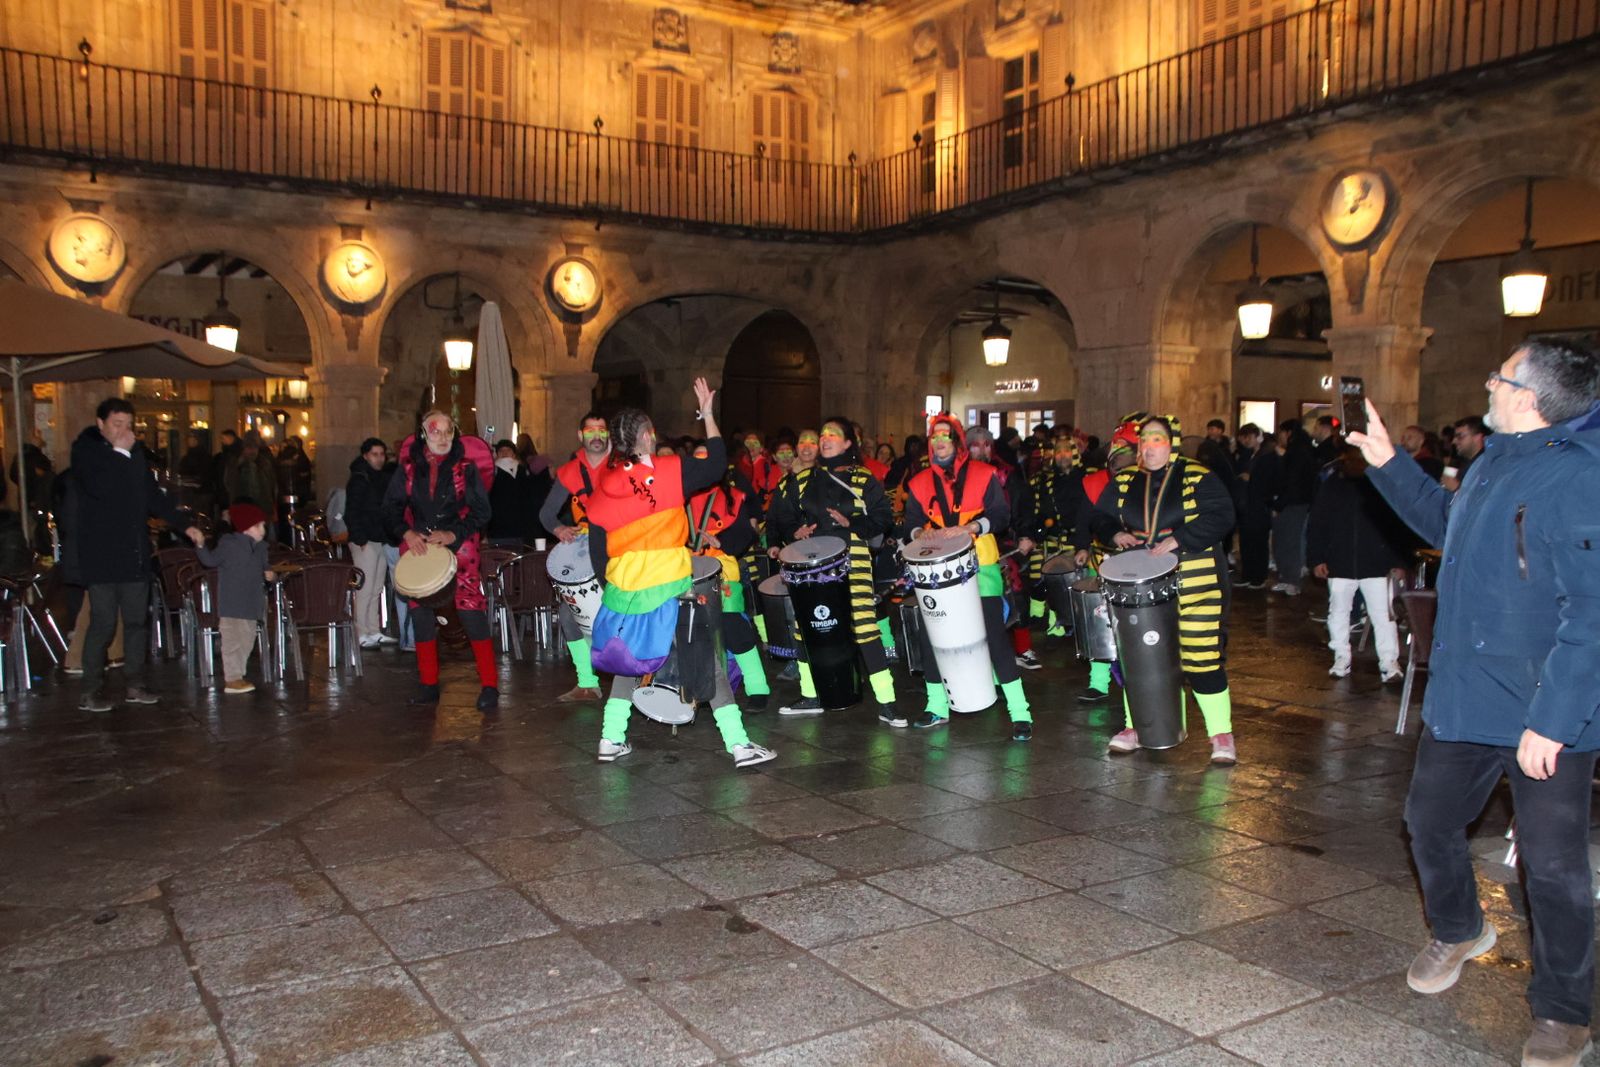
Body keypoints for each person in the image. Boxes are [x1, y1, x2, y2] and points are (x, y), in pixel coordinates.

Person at [1349, 339, 1600, 1067]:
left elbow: (1591, 613)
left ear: (1529, 397)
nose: (1487, 384)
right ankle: (1460, 927)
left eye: (1499, 376)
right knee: (1427, 820)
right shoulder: (1497, 458)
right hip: (1467, 696)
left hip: (1545, 707)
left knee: (1551, 868)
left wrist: (1554, 721)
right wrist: (1389, 462)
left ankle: (1563, 1012)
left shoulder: (1579, 480)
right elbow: (1447, 526)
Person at [585, 379, 776, 768]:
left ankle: (610, 738)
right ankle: (739, 745)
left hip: (624, 588)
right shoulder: (669, 471)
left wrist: (616, 588)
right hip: (671, 583)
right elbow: (717, 461)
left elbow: (596, 550)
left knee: (630, 661)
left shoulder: (602, 487)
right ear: (645, 436)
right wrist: (707, 414)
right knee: (706, 660)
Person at [1089, 415, 1237, 765]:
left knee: (1201, 660)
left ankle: (1221, 734)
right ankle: (1136, 727)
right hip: (1142, 584)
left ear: (1171, 443)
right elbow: (1098, 517)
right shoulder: (1125, 479)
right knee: (1140, 659)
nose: (1149, 446)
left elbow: (1222, 515)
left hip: (1196, 580)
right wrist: (1114, 533)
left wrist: (1180, 539)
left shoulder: (1198, 474)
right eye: (1144, 441)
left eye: (1157, 439)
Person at [902, 414, 1032, 741]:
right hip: (935, 569)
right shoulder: (918, 483)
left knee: (994, 636)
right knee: (933, 638)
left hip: (982, 565)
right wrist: (922, 534)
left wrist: (972, 527)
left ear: (957, 442)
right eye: (934, 437)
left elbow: (1001, 516)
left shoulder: (984, 474)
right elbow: (911, 524)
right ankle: (937, 707)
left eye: (945, 436)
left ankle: (1020, 713)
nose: (939, 441)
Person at [68, 398, 202, 712]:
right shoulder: (86, 452)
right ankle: (90, 689)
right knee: (102, 623)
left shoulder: (134, 454)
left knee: (136, 622)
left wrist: (185, 525)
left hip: (134, 553)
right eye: (117, 425)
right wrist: (120, 454)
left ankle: (135, 684)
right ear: (100, 424)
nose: (124, 431)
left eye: (128, 425)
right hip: (101, 554)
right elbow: (100, 488)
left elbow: (152, 496)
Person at [765, 417, 900, 724]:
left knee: (865, 627)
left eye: (833, 435)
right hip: (812, 563)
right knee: (804, 628)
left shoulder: (863, 478)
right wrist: (794, 532)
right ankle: (810, 695)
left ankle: (887, 701)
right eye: (822, 434)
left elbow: (883, 517)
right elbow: (779, 517)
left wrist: (852, 523)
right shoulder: (801, 480)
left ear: (848, 443)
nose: (825, 439)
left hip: (854, 559)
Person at [382, 410, 498, 711]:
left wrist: (453, 534)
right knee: (421, 617)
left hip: (460, 547)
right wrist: (406, 533)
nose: (442, 437)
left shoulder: (466, 468)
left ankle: (489, 685)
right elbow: (390, 509)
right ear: (423, 434)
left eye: (448, 431)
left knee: (471, 613)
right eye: (435, 432)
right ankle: (428, 684)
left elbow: (482, 512)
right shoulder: (407, 469)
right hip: (420, 545)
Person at [1305, 446, 1410, 681]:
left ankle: (1389, 662)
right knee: (1339, 612)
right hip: (1340, 561)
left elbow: (1397, 524)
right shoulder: (1334, 483)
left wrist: (1397, 560)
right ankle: (1341, 656)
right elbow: (1319, 522)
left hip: (1375, 562)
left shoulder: (1381, 483)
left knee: (1383, 615)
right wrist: (1317, 558)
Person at [688, 456, 771, 711]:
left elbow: (747, 533)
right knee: (691, 631)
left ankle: (758, 688)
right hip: (684, 569)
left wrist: (720, 542)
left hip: (722, 569)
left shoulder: (733, 496)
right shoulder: (679, 497)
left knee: (735, 629)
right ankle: (700, 689)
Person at [539, 412, 612, 702]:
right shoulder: (570, 471)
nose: (597, 435)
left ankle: (637, 678)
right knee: (569, 614)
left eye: (602, 430)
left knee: (625, 615)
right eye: (591, 430)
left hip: (620, 549)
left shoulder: (621, 466)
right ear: (580, 436)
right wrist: (558, 528)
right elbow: (545, 513)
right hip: (588, 551)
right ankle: (587, 683)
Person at [1073, 418, 1141, 702]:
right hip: (1105, 558)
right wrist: (1081, 546)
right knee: (1100, 621)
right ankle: (1098, 683)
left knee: (1139, 624)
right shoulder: (1094, 483)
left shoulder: (1156, 480)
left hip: (1143, 562)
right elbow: (1084, 519)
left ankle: (1141, 680)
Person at [967, 426, 1040, 671]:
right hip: (965, 546)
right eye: (976, 444)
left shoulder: (1005, 474)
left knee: (1016, 592)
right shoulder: (957, 476)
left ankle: (1022, 648)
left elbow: (1023, 506)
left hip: (1002, 543)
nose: (982, 449)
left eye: (986, 444)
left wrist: (1027, 534)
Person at [189, 501, 272, 693]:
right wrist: (201, 545)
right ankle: (232, 678)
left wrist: (270, 574)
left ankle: (238, 675)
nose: (263, 530)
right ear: (246, 528)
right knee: (232, 641)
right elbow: (209, 560)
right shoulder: (229, 545)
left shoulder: (261, 548)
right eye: (259, 526)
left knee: (247, 639)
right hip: (232, 604)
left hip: (252, 603)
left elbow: (266, 567)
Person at [1024, 432, 1089, 637]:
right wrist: (1032, 533)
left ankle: (1064, 624)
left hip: (1078, 542)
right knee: (1039, 579)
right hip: (1049, 540)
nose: (1062, 455)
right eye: (1058, 451)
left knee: (1070, 585)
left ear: (1074, 452)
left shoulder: (1087, 477)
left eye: (1066, 450)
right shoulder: (1042, 480)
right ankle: (1039, 619)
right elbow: (1033, 511)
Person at [345, 437, 396, 649]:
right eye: (375, 454)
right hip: (366, 540)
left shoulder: (380, 478)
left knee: (376, 587)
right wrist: (360, 539)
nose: (379, 458)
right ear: (365, 455)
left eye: (382, 454)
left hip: (379, 538)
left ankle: (374, 630)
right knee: (364, 587)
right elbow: (352, 512)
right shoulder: (359, 478)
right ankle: (361, 631)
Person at [1270, 418, 1318, 596]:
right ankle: (1285, 577)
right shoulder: (1298, 451)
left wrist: (1279, 504)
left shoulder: (1297, 452)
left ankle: (1292, 580)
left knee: (1289, 541)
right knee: (1282, 541)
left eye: (1281, 433)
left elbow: (1292, 482)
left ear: (1288, 433)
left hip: (1293, 503)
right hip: (1293, 502)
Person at [486, 439, 550, 546]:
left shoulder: (523, 471)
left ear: (514, 454)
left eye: (508, 450)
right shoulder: (492, 472)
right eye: (501, 451)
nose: (505, 453)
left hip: (522, 529)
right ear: (497, 454)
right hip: (499, 529)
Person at [224, 431, 277, 532]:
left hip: (257, 506)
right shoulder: (238, 463)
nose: (251, 450)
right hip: (247, 506)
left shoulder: (263, 462)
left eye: (254, 447)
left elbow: (271, 484)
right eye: (249, 447)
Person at [1441, 414, 1490, 491]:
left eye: (1460, 436)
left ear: (1478, 438)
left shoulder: (1488, 465)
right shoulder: (1461, 462)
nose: (1454, 441)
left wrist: (1456, 488)